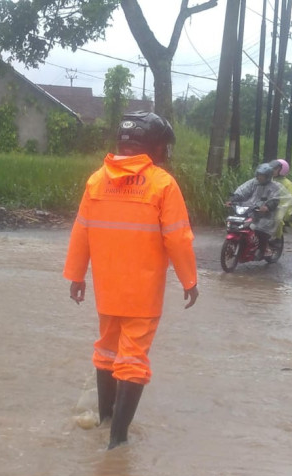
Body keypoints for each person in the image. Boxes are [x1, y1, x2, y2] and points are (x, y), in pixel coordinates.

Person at [63, 110, 199, 450]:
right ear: (154, 146)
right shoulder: (162, 184)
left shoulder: (97, 180)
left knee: (107, 352)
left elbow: (81, 232)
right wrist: (189, 280)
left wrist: (77, 275)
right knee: (133, 359)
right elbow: (178, 238)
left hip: (106, 290)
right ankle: (118, 441)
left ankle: (105, 420)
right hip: (142, 292)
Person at [226, 162, 289, 259]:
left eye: (262, 176)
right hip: (251, 210)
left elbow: (275, 199)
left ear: (268, 176)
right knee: (237, 223)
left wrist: (267, 207)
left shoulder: (274, 187)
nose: (260, 177)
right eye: (259, 175)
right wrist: (232, 200)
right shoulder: (253, 183)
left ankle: (264, 249)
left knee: (261, 231)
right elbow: (242, 191)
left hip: (266, 215)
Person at [269, 158, 292, 239]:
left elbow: (288, 199)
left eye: (275, 169)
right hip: (270, 205)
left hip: (282, 208)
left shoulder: (288, 184)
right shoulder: (269, 180)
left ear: (282, 170)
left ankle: (277, 238)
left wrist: (279, 206)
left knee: (277, 219)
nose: (273, 171)